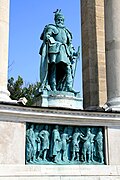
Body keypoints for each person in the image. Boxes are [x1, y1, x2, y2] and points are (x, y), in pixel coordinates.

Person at [39, 9, 80, 93]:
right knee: (53, 68)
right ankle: (53, 87)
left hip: (65, 52)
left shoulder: (67, 31)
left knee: (67, 69)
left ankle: (69, 87)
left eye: (61, 20)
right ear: (55, 20)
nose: (60, 21)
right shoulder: (52, 27)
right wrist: (47, 36)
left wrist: (75, 53)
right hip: (54, 50)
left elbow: (70, 46)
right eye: (58, 19)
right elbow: (47, 35)